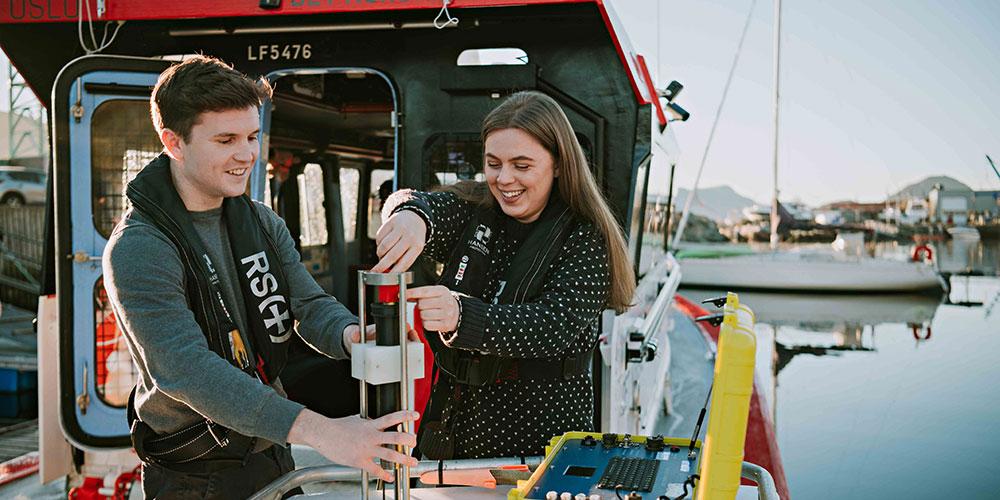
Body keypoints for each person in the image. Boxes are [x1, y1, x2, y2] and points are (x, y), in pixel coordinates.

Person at [102, 56, 418, 499]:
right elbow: (187, 372)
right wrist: (323, 432)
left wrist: (351, 334)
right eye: (226, 139)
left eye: (252, 136)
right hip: (196, 477)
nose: (247, 154)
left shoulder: (261, 222)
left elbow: (307, 305)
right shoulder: (139, 248)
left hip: (270, 455)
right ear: (173, 142)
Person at [374, 91, 636, 459]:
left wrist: (460, 316)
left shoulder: (587, 237)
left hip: (545, 439)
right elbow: (417, 202)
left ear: (559, 164)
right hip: (459, 429)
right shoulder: (473, 210)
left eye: (522, 165)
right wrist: (408, 217)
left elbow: (554, 325)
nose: (504, 179)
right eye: (493, 163)